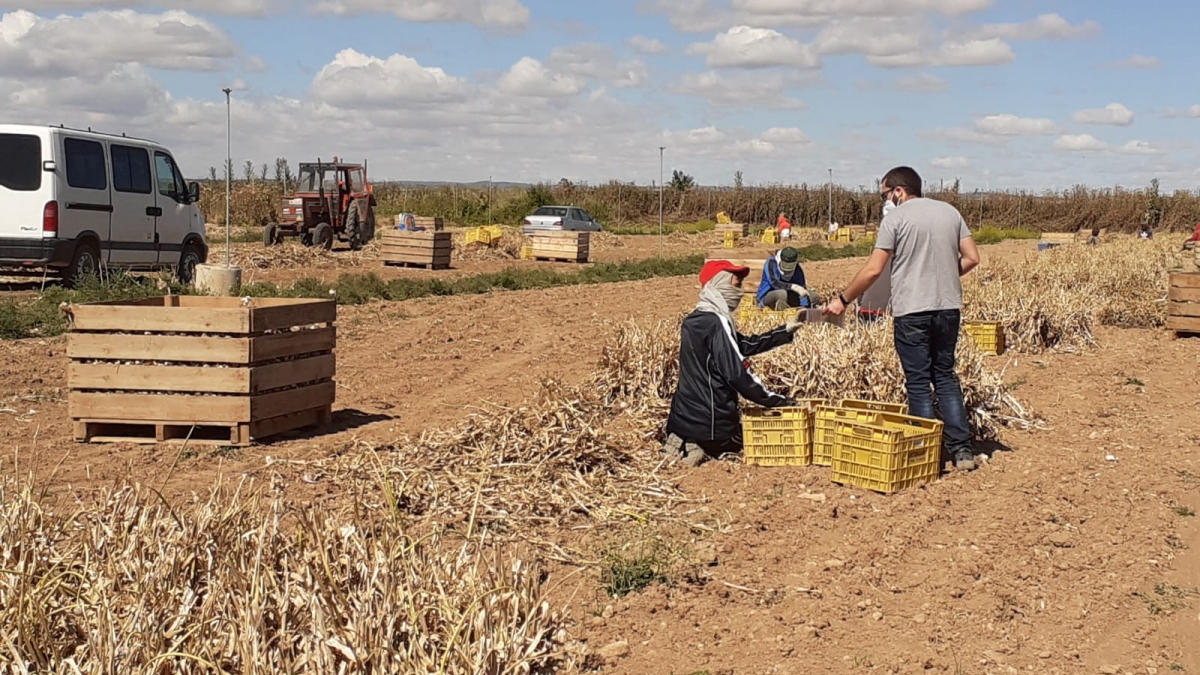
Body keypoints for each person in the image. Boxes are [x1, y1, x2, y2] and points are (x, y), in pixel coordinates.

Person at [823, 166, 982, 471]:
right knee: (945, 377)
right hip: (948, 308)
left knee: (919, 382)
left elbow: (873, 270)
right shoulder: (950, 212)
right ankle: (962, 451)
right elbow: (973, 257)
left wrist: (843, 300)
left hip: (912, 310)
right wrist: (945, 275)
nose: (886, 200)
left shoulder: (894, 219)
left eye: (885, 194)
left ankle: (925, 452)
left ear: (898, 190)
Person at [664, 260, 804, 467]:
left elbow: (743, 344)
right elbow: (737, 373)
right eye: (736, 284)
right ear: (719, 282)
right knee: (738, 442)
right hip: (712, 423)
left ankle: (685, 440)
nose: (739, 292)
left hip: (683, 418)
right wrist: (778, 401)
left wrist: (785, 331)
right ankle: (701, 445)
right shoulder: (715, 322)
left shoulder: (695, 319)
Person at [858, 195, 897, 321]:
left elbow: (869, 275)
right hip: (888, 313)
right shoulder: (905, 253)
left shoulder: (879, 253)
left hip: (870, 309)